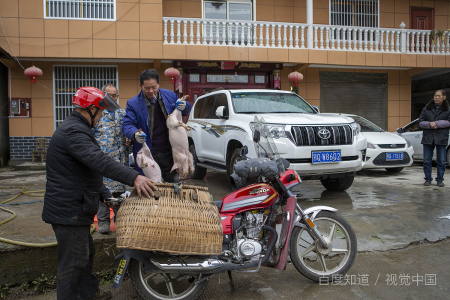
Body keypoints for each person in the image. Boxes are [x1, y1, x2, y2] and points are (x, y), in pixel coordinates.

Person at [42, 87, 157, 300]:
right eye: (102, 112)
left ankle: (88, 294)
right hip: (69, 210)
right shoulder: (74, 132)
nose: (103, 116)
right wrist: (134, 177)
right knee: (73, 264)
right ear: (92, 109)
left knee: (85, 255)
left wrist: (106, 195)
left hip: (76, 207)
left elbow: (88, 168)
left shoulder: (79, 129)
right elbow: (100, 161)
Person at [122, 69, 192, 182]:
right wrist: (134, 134)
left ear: (159, 84)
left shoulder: (170, 95)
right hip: (148, 153)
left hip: (169, 152)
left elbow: (185, 110)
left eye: (154, 87)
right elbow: (127, 124)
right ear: (141, 86)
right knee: (150, 188)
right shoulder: (133, 103)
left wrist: (185, 106)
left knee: (173, 186)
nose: (151, 91)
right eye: (147, 88)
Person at [92, 84, 131, 234]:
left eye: (114, 95)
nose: (112, 98)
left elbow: (128, 129)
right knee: (103, 192)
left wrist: (130, 139)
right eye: (108, 95)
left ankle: (119, 220)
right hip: (103, 161)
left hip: (120, 160)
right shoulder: (97, 113)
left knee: (120, 194)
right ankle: (103, 221)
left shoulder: (122, 113)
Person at [419, 90, 450, 187]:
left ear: (444, 97)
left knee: (441, 161)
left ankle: (440, 180)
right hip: (428, 138)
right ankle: (428, 179)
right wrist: (429, 124)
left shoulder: (448, 109)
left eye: (439, 96)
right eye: (435, 96)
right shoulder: (426, 109)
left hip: (441, 138)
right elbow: (420, 122)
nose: (436, 97)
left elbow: (449, 122)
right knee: (427, 160)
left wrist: (437, 123)